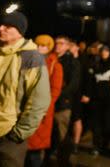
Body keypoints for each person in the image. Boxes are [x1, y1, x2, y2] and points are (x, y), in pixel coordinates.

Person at [0, 12, 50, 167]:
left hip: (6, 140)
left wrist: (18, 134)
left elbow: (39, 101)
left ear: (20, 30)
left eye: (8, 26)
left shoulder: (31, 58)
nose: (0, 28)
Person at [25, 35, 64, 167]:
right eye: (38, 45)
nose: (40, 48)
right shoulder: (30, 61)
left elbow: (55, 90)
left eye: (44, 45)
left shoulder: (55, 65)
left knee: (35, 150)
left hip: (43, 111)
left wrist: (44, 106)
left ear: (49, 47)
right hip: (26, 108)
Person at [51, 35, 81, 165]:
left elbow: (73, 85)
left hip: (62, 104)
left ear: (68, 46)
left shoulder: (72, 63)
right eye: (56, 43)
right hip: (48, 103)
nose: (58, 46)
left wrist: (59, 95)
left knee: (61, 135)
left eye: (61, 43)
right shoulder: (51, 59)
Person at [83, 44, 110, 155]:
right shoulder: (95, 64)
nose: (104, 53)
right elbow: (90, 82)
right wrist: (88, 94)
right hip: (96, 98)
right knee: (96, 123)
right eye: (102, 51)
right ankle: (96, 146)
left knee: (107, 123)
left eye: (106, 51)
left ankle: (105, 144)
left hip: (109, 99)